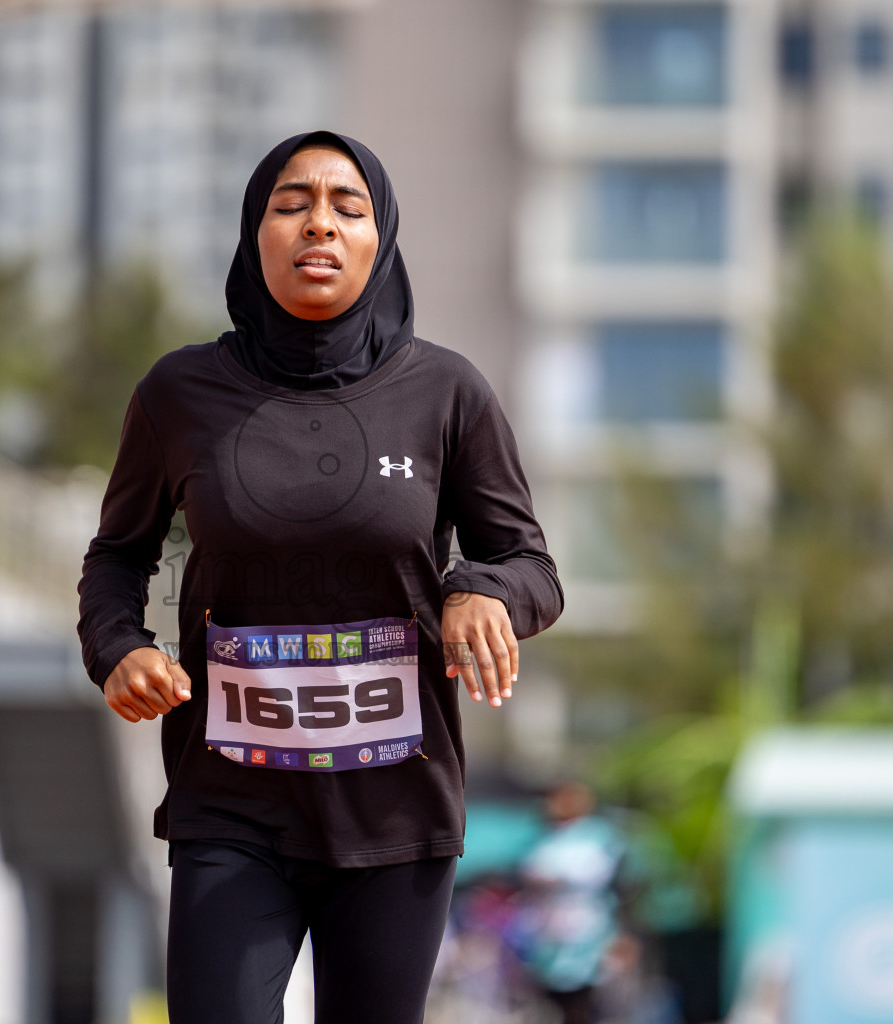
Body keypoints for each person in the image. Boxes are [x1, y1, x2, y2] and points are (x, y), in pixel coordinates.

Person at [77, 129, 564, 1024]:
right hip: (230, 803)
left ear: (382, 239)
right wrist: (117, 647)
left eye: (349, 207)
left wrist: (481, 591)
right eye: (291, 204)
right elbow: (117, 557)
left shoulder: (449, 394)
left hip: (396, 814)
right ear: (253, 232)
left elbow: (530, 564)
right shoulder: (177, 396)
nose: (320, 227)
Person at [515, 782, 630, 1024]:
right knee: (552, 995)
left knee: (583, 997)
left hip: (585, 926)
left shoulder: (598, 834)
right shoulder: (544, 834)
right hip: (548, 927)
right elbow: (529, 870)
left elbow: (593, 874)